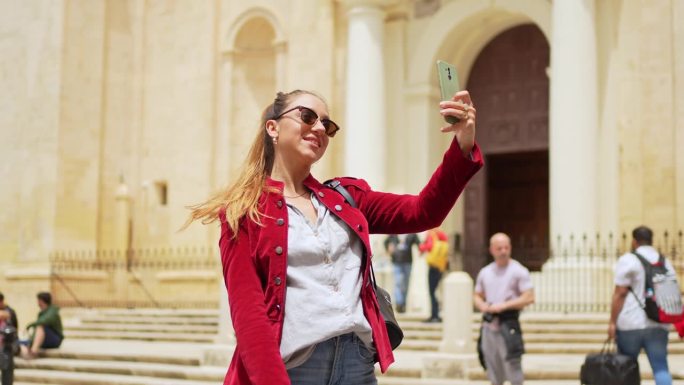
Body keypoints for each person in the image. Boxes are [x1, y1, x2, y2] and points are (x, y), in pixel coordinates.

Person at [185, 89, 482, 385]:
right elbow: (249, 315)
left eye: (327, 125)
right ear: (273, 127)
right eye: (307, 116)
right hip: (294, 369)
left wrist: (462, 144)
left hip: (357, 365)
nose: (319, 128)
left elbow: (423, 212)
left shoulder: (346, 198)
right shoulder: (244, 212)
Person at [608, 226, 674, 385]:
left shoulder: (628, 260)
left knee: (627, 367)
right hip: (659, 322)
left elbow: (620, 293)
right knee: (660, 367)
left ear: (634, 241)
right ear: (651, 240)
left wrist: (612, 321)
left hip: (631, 321)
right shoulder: (664, 261)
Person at [473, 233, 535, 385]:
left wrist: (504, 306)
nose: (503, 251)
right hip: (488, 328)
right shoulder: (485, 272)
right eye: (499, 248)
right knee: (493, 372)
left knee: (514, 372)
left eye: (506, 247)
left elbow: (529, 297)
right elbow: (477, 295)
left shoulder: (519, 270)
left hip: (509, 325)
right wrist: (483, 306)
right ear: (492, 250)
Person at [383, 233, 420, 314]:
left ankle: (403, 304)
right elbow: (386, 242)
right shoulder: (393, 233)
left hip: (408, 261)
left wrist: (422, 249)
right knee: (398, 282)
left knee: (405, 284)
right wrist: (388, 249)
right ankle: (399, 304)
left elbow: (418, 242)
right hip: (397, 261)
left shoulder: (411, 233)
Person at [20, 292, 63, 359]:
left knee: (40, 326)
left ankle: (33, 352)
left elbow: (44, 321)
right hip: (44, 339)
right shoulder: (41, 313)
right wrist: (31, 341)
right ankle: (28, 352)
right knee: (20, 342)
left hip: (55, 339)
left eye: (38, 300)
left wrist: (30, 325)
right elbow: (36, 331)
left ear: (41, 301)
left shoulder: (53, 311)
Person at [418, 227, 449, 322]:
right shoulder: (441, 234)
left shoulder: (431, 234)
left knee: (432, 292)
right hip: (440, 266)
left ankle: (434, 315)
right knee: (435, 291)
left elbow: (429, 246)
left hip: (433, 266)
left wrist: (421, 247)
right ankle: (436, 314)